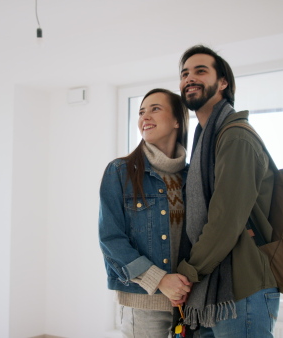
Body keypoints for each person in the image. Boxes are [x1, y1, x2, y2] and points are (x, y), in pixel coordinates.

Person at [175, 45, 280, 337]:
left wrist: (188, 272)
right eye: (184, 74)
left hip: (241, 292)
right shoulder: (204, 139)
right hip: (216, 291)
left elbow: (225, 221)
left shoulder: (235, 137)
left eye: (200, 71)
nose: (189, 78)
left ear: (223, 83)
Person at [99, 88, 192, 337]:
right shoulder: (120, 171)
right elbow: (111, 239)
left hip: (189, 301)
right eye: (141, 111)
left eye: (155, 109)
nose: (145, 117)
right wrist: (160, 280)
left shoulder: (193, 177)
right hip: (144, 303)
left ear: (176, 121)